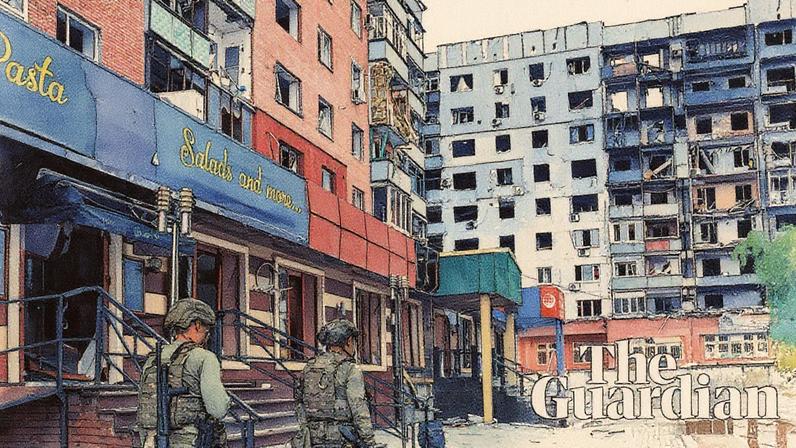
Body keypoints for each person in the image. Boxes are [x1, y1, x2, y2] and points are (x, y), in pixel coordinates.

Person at [137, 298, 230, 448]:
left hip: (152, 441)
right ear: (197, 325)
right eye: (207, 328)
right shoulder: (204, 357)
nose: (207, 334)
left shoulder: (153, 357)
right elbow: (218, 409)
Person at [293, 319, 379, 448]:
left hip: (313, 437)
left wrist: (306, 429)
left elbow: (299, 402)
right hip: (342, 438)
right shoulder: (350, 369)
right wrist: (369, 441)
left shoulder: (309, 366)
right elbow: (359, 407)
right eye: (353, 342)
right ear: (348, 341)